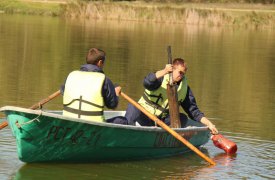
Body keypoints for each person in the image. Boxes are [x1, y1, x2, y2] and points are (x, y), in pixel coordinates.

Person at [125, 58, 218, 134]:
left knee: (182, 118)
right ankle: (127, 132)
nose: (181, 76)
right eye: (179, 72)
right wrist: (164, 71)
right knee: (133, 106)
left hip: (161, 122)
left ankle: (167, 136)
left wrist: (209, 124)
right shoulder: (160, 77)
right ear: (172, 69)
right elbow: (147, 82)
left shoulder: (185, 89)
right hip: (144, 115)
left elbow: (194, 112)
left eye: (183, 74)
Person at [61, 48, 127, 124]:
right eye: (104, 62)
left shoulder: (71, 75)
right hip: (95, 123)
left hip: (69, 121)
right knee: (123, 120)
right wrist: (116, 93)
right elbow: (112, 105)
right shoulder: (104, 80)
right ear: (100, 62)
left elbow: (63, 92)